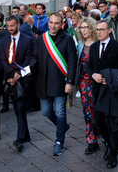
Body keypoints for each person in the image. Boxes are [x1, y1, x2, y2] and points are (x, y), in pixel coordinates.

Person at [86, 19, 118, 169]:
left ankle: (113, 153)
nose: (98, 32)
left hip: (113, 90)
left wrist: (110, 78)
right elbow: (89, 66)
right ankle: (108, 143)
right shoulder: (93, 47)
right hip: (98, 90)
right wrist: (93, 75)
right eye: (97, 29)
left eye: (101, 29)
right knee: (98, 120)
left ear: (109, 30)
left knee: (113, 124)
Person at [30, 13, 77, 156]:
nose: (53, 25)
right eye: (51, 22)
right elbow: (35, 57)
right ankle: (64, 127)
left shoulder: (67, 39)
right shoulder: (42, 39)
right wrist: (28, 68)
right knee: (46, 111)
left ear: (62, 24)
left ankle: (59, 142)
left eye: (56, 23)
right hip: (43, 81)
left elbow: (72, 62)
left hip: (60, 82)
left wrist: (70, 82)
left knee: (60, 112)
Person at [0, 15, 34, 152]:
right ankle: (25, 135)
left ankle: (20, 138)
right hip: (10, 79)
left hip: (23, 79)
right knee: (17, 108)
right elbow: (2, 59)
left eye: (12, 26)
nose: (9, 29)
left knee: (20, 107)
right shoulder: (3, 40)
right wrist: (11, 75)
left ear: (18, 25)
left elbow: (28, 59)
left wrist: (18, 75)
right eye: (7, 26)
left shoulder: (27, 40)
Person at [75, 17, 100, 154]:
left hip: (98, 82)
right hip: (84, 83)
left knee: (101, 112)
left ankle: (104, 136)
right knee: (88, 113)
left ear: (92, 28)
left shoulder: (99, 43)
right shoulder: (79, 44)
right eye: (81, 28)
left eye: (86, 27)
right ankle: (91, 141)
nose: (84, 30)